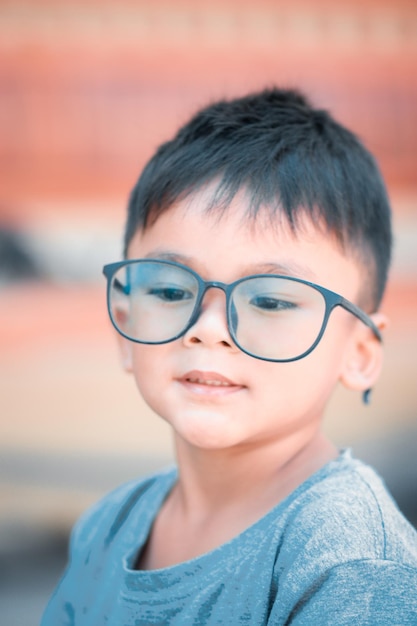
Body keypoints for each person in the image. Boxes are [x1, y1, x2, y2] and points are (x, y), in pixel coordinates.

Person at [41, 88, 417, 625]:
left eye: (269, 300)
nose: (208, 329)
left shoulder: (350, 564)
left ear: (358, 353)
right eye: (171, 292)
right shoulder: (108, 526)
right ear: (124, 329)